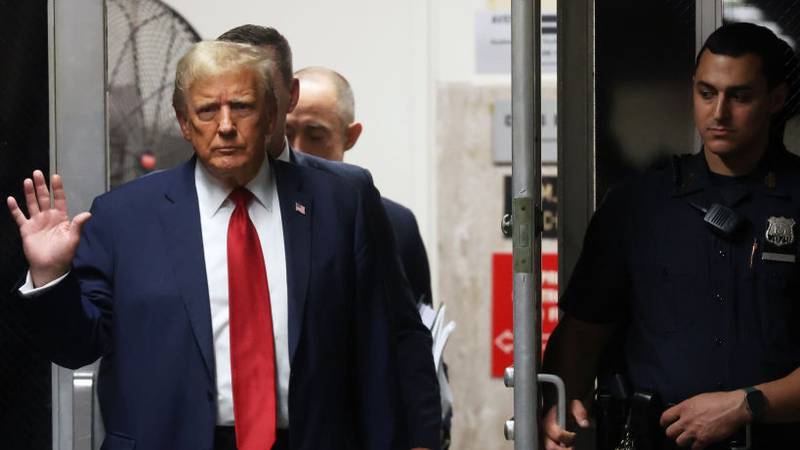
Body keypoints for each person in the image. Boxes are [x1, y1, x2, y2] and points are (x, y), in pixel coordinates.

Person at [8, 41, 396, 450]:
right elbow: (76, 346)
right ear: (184, 122)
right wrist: (50, 275)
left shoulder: (338, 205)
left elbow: (378, 352)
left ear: (270, 117)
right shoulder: (124, 217)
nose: (225, 125)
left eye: (242, 107)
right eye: (207, 110)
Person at [542, 23, 800, 450]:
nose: (718, 113)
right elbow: (583, 332)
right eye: (706, 93)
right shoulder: (638, 205)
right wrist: (557, 405)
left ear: (775, 99)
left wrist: (748, 403)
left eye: (739, 96)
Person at [217, 25, 441, 450]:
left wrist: (423, 438)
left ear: (290, 94)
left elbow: (403, 335)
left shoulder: (351, 199)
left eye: (259, 90)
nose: (242, 110)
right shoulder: (158, 206)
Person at [287, 66, 434, 306]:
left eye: (315, 136)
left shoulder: (394, 223)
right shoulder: (252, 217)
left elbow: (418, 329)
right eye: (286, 134)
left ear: (350, 137)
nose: (297, 150)